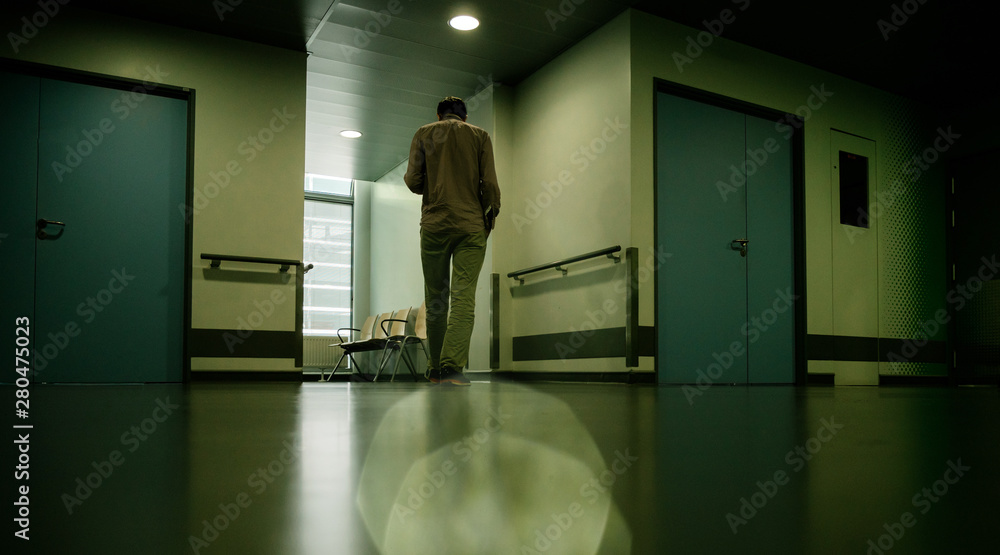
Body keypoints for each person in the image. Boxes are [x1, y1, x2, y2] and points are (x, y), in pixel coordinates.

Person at [404, 96, 500, 386]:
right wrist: (489, 217)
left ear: (438, 115)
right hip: (470, 226)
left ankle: (434, 370)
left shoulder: (423, 133)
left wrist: (433, 182)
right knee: (462, 299)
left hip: (434, 225)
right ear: (465, 117)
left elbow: (413, 181)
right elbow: (490, 184)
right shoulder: (480, 136)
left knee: (435, 299)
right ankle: (452, 369)